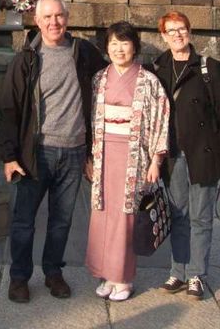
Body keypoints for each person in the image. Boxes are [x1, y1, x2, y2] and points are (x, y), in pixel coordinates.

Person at [0, 0, 105, 303]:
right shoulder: (26, 60)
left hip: (73, 152)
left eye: (59, 16)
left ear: (67, 19)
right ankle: (19, 277)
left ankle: (53, 272)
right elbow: (9, 110)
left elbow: (113, 77)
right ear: (37, 20)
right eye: (47, 17)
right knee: (24, 220)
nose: (54, 22)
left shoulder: (83, 52)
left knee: (62, 220)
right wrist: (9, 156)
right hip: (36, 154)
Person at [152, 11, 220, 299]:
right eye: (171, 31)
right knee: (178, 215)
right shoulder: (158, 67)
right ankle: (177, 272)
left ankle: (197, 275)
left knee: (201, 217)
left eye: (182, 29)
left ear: (189, 32)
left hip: (204, 154)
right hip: (172, 155)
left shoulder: (208, 67)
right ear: (163, 36)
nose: (177, 35)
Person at [86, 21, 169, 301]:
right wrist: (90, 155)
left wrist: (156, 160)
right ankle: (107, 275)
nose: (119, 49)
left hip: (133, 155)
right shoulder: (99, 79)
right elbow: (90, 121)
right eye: (113, 44)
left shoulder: (148, 81)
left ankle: (123, 278)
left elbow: (160, 119)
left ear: (134, 46)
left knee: (126, 216)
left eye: (124, 43)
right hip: (104, 152)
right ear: (106, 47)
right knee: (103, 214)